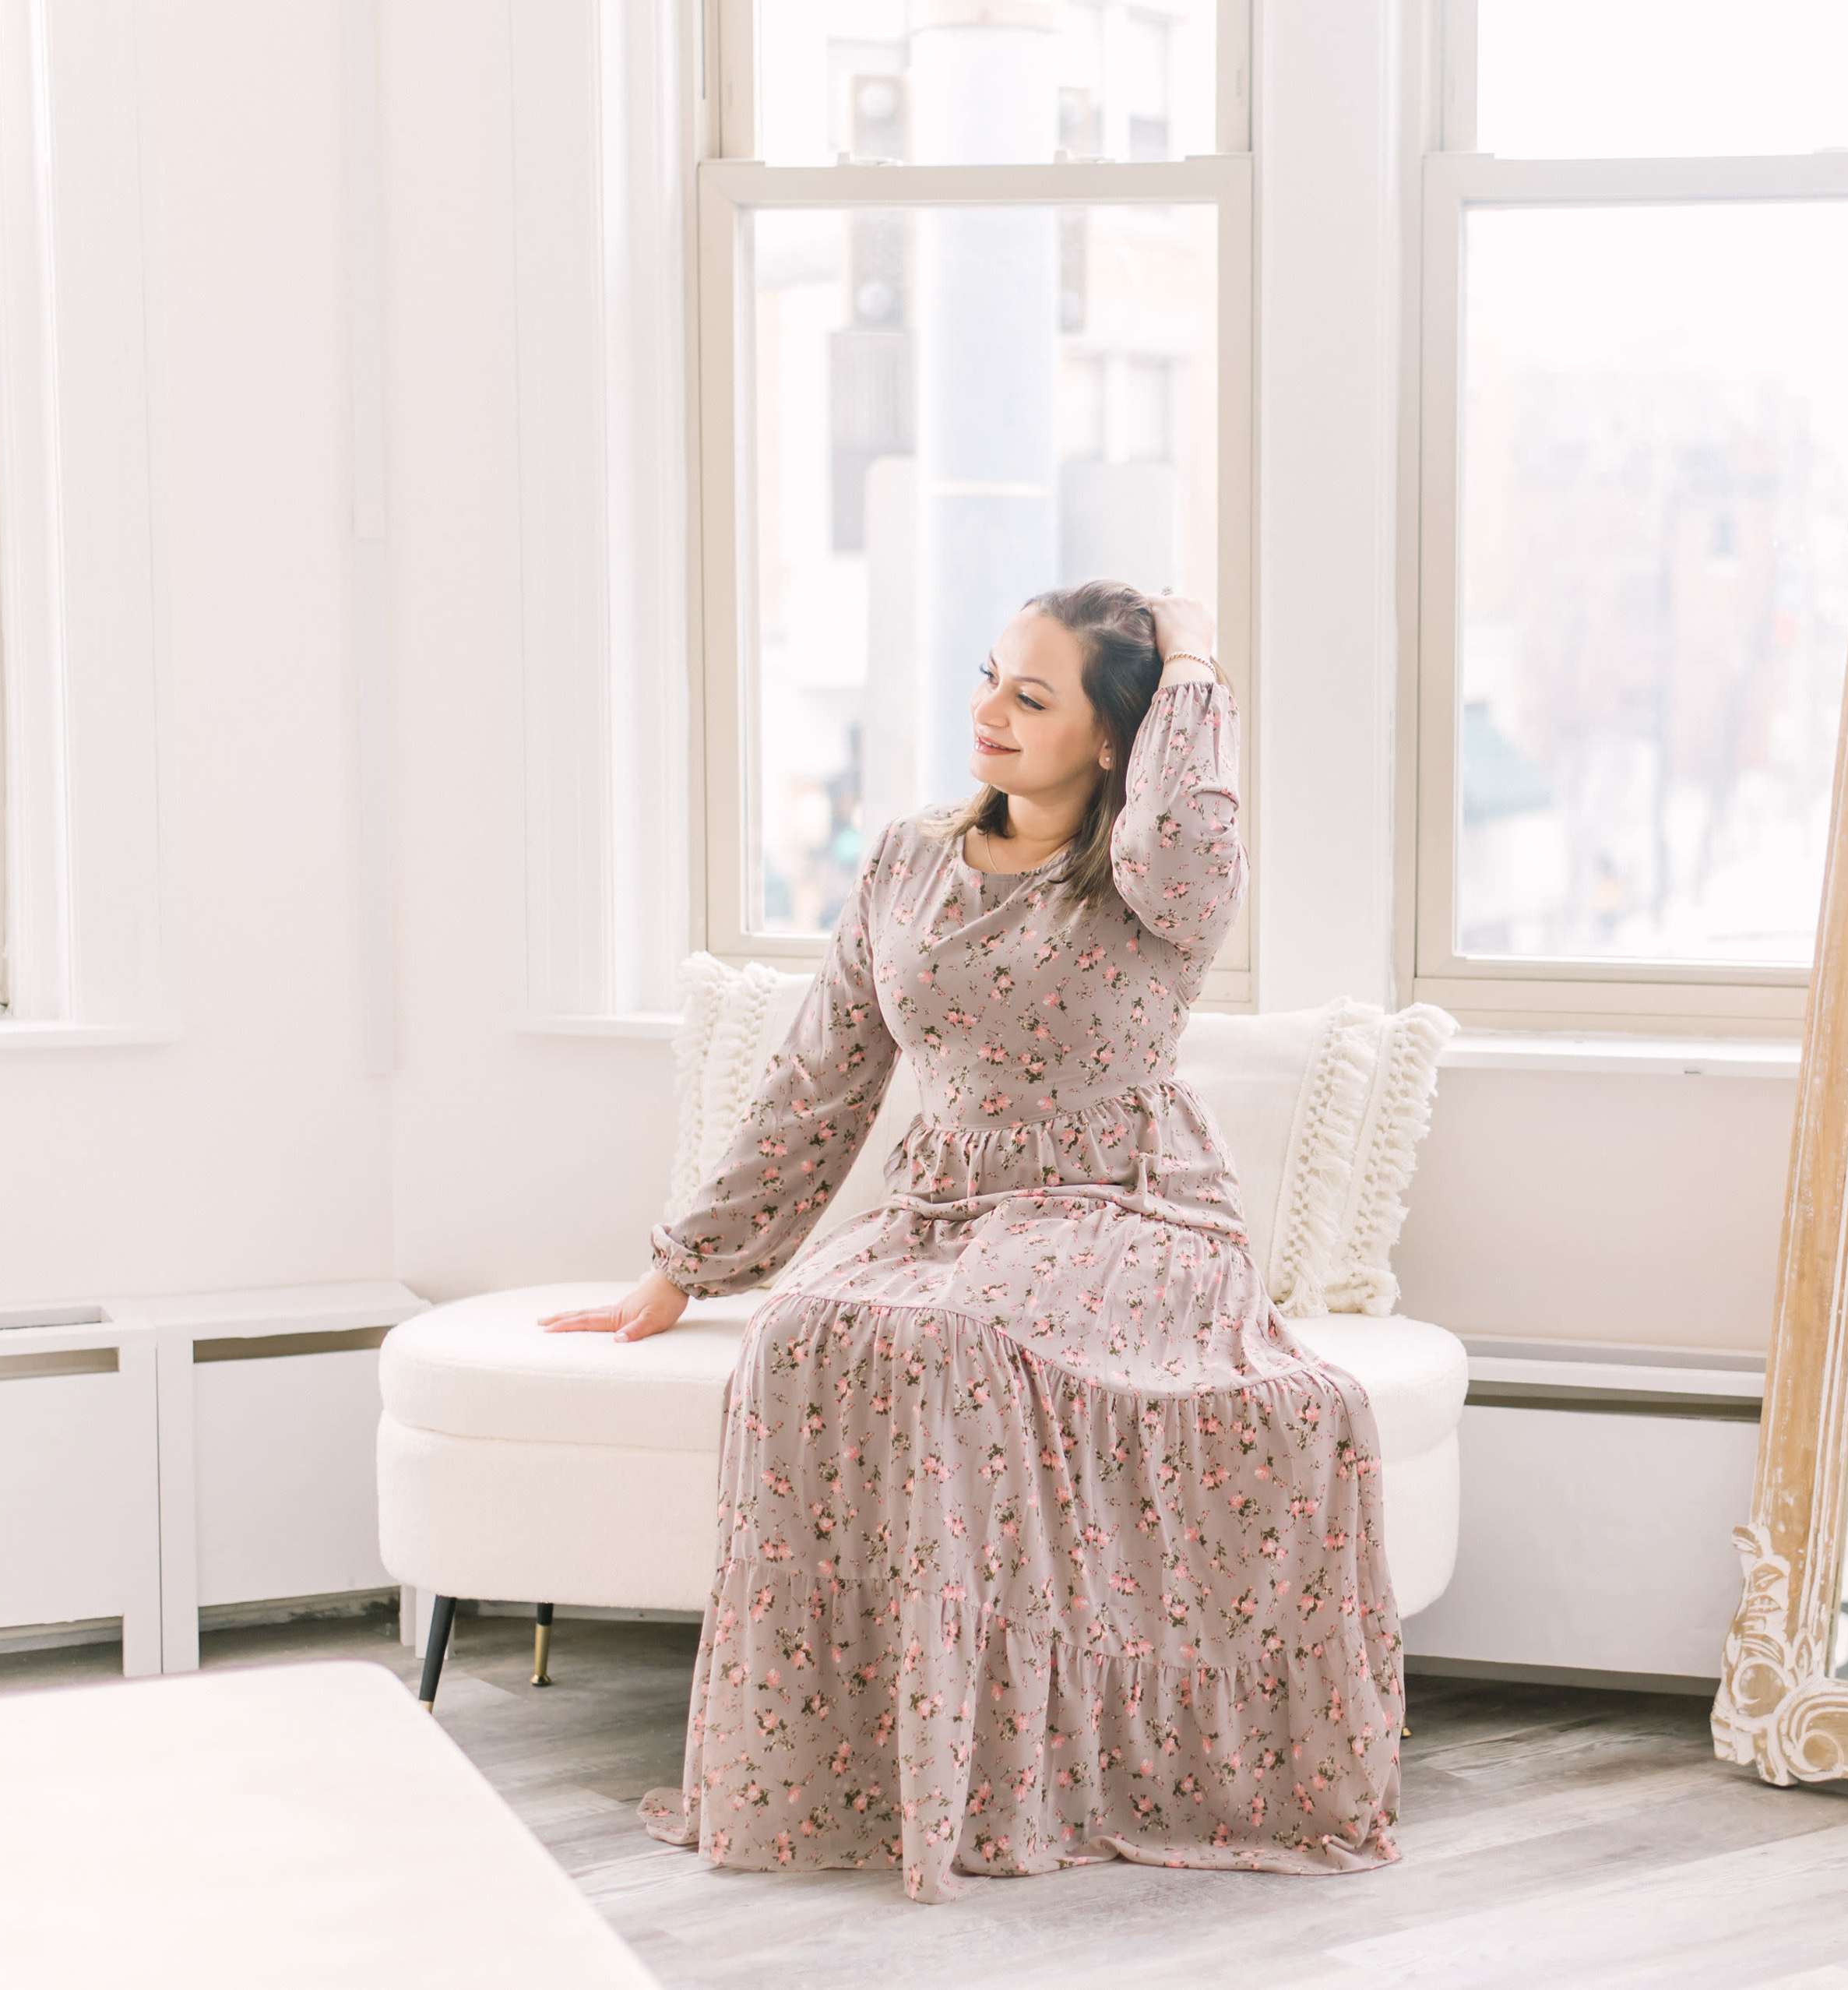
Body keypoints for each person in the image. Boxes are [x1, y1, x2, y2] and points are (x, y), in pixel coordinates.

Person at [539, 582, 1405, 1904]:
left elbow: (1183, 842)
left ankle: (1014, 1777)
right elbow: (820, 1077)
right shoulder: (906, 859)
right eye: (990, 678)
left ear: (1113, 740)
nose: (986, 713)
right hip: (942, 1210)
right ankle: (850, 1770)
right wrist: (684, 1268)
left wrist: (1194, 666)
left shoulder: (1157, 883)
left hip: (1129, 1211)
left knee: (947, 1343)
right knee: (804, 1334)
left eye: (1032, 696)